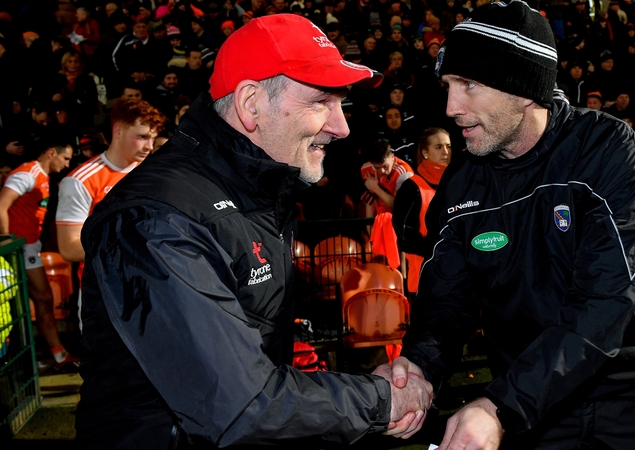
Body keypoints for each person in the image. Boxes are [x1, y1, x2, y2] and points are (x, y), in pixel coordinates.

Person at [74, 15, 432, 448]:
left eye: (341, 103)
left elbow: (257, 360)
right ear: (250, 102)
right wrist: (380, 401)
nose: (343, 127)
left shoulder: (259, 189)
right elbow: (241, 404)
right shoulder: (158, 219)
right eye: (321, 101)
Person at [381, 2, 635, 448]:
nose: (451, 107)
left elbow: (602, 304)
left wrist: (501, 406)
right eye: (447, 85)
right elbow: (445, 304)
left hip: (625, 396)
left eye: (469, 85)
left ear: (523, 89)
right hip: (527, 407)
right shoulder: (460, 186)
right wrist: (419, 367)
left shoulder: (610, 152)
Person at [56, 99, 166, 271]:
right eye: (142, 137)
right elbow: (69, 248)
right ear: (118, 131)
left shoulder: (151, 173)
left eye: (152, 138)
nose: (149, 147)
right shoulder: (80, 180)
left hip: (147, 282)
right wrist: (129, 243)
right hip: (102, 288)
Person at [0, 134, 75, 369]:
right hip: (20, 248)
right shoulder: (27, 174)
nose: (67, 164)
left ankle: (56, 354)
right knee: (40, 298)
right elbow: (1, 205)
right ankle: (54, 354)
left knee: (38, 299)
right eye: (65, 158)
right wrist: (6, 241)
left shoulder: (41, 177)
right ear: (51, 152)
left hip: (29, 246)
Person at [392, 127, 450, 297]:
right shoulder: (411, 187)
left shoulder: (456, 184)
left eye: (448, 146)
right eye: (438, 147)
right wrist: (439, 248)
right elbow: (405, 236)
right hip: (424, 279)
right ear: (425, 152)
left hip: (456, 278)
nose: (446, 152)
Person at [361, 139, 414, 217]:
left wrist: (375, 188)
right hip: (379, 220)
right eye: (377, 168)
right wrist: (369, 227)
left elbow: (399, 206)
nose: (382, 171)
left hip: (399, 221)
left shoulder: (404, 173)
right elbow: (371, 200)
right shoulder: (367, 169)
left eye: (385, 166)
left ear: (392, 156)